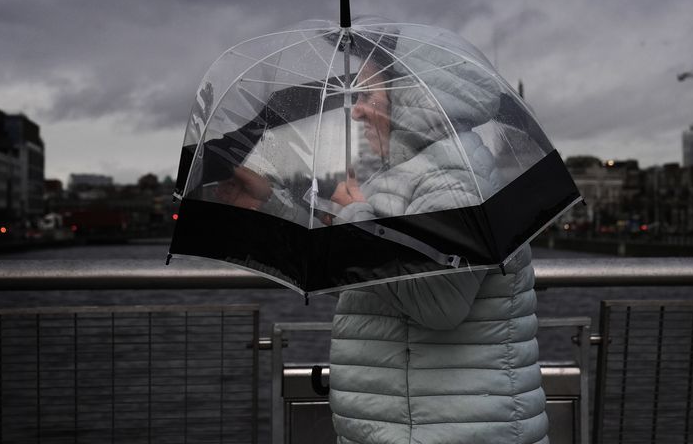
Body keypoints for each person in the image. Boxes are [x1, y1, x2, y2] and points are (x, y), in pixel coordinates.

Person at [217, 48, 550, 444]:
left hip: (445, 427)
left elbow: (439, 301)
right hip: (418, 420)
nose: (355, 111)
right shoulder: (408, 171)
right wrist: (270, 205)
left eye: (367, 96)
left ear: (411, 102)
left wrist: (354, 217)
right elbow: (371, 270)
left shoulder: (453, 178)